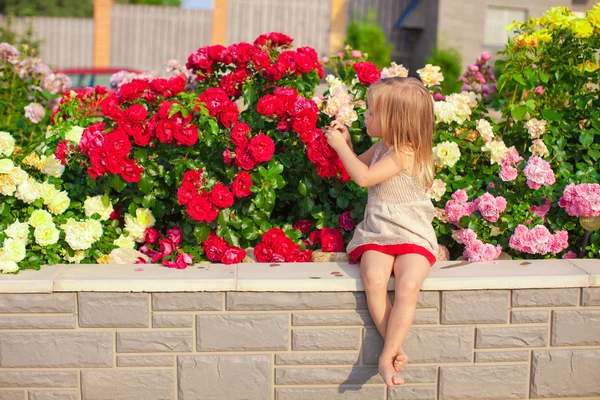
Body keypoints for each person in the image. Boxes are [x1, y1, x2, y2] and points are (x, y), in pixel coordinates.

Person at [324, 76, 438, 387]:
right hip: (378, 231)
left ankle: (385, 358)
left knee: (408, 284)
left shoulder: (405, 152)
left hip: (412, 233)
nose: (366, 116)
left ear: (394, 121)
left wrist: (339, 148)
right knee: (373, 278)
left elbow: (363, 179)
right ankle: (393, 350)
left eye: (372, 113)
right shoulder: (382, 146)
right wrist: (346, 146)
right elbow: (357, 167)